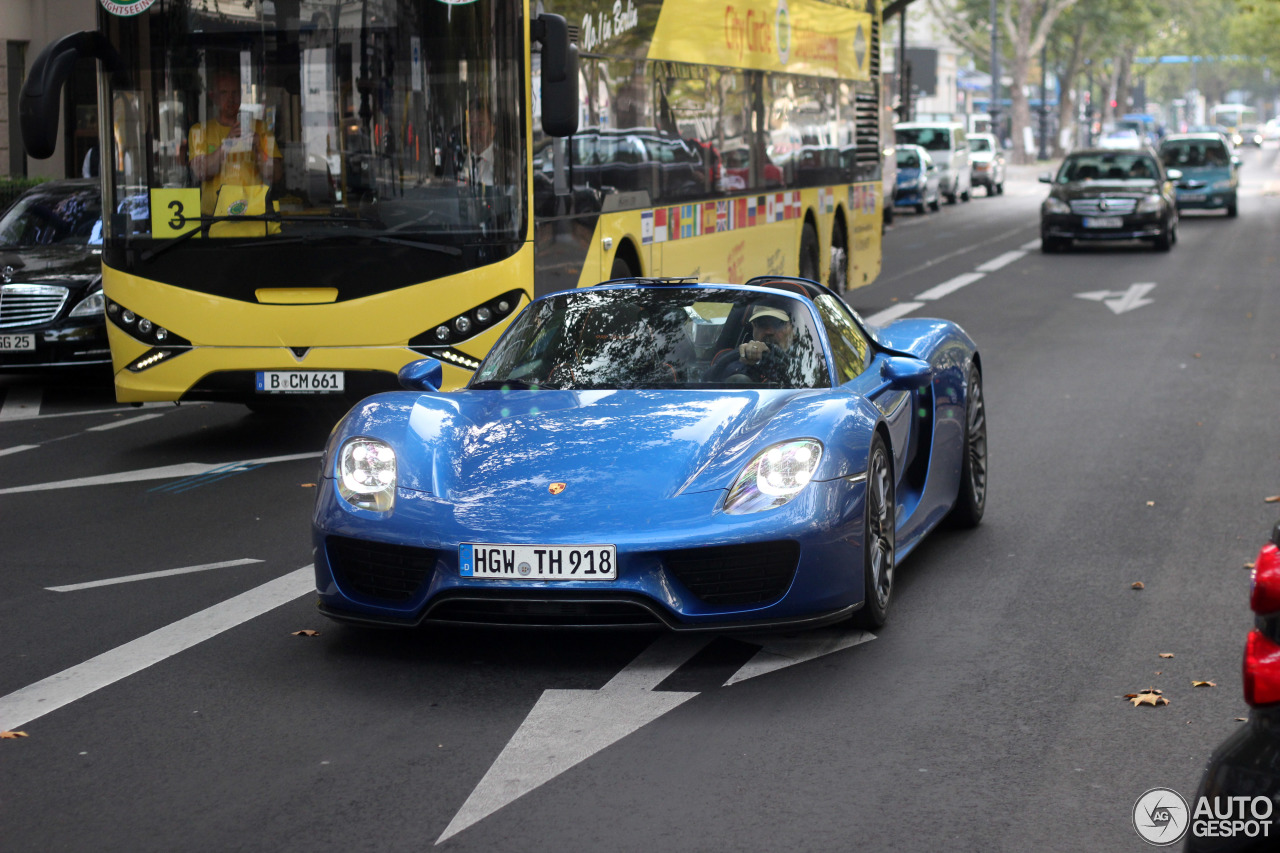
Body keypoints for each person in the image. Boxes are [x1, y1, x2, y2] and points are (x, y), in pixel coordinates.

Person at [188, 70, 282, 215]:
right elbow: (202, 172)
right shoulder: (200, 130)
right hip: (213, 218)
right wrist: (228, 143)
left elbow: (275, 176)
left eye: (235, 93)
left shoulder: (260, 128)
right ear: (214, 97)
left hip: (254, 215)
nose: (230, 99)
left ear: (242, 96)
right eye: (224, 93)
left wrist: (258, 149)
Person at [705, 297, 796, 383]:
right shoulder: (735, 360)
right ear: (753, 327)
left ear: (793, 329)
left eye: (777, 324)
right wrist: (745, 363)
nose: (769, 331)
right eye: (761, 323)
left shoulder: (806, 361)